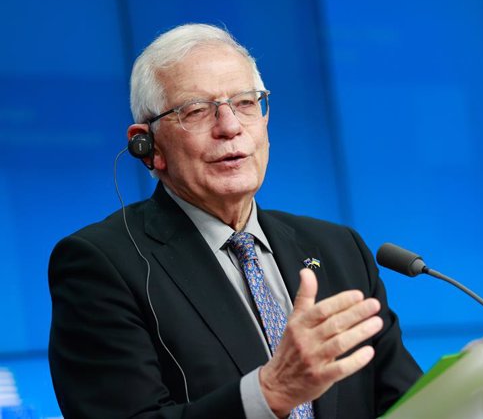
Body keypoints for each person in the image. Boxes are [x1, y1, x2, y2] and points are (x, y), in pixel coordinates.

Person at [48, 23, 421, 418]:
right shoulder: (100, 264)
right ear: (148, 146)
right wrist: (270, 393)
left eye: (246, 103)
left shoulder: (339, 249)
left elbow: (411, 404)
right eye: (195, 110)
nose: (230, 127)